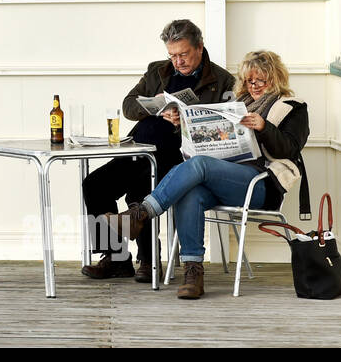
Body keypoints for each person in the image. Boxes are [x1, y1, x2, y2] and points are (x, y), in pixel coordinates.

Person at [107, 50, 310, 299]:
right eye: (249, 80)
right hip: (225, 176)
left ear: (275, 78)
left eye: (261, 80)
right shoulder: (235, 106)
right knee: (191, 190)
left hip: (261, 184)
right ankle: (193, 272)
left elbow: (290, 149)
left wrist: (264, 127)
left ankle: (140, 213)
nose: (254, 86)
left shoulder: (292, 108)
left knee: (200, 166)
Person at [81, 19, 235, 283]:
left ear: (199, 47)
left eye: (183, 54)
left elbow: (225, 127)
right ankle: (115, 258)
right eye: (172, 55)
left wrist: (184, 122)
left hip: (179, 159)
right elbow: (129, 106)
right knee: (95, 184)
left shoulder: (221, 81)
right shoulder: (157, 72)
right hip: (139, 152)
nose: (178, 61)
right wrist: (157, 108)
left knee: (142, 190)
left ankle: (149, 259)